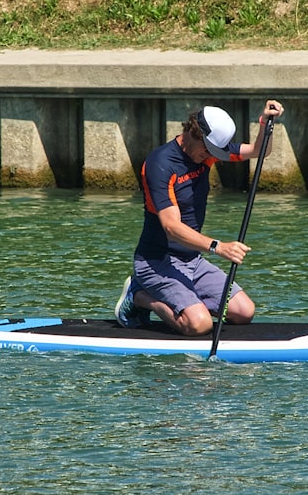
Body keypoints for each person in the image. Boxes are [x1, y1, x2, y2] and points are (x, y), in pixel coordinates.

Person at [115, 100, 285, 336]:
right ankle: (139, 295)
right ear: (193, 133)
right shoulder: (160, 164)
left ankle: (188, 300)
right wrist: (219, 247)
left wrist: (266, 123)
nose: (209, 157)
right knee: (199, 325)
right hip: (156, 262)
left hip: (192, 261)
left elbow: (259, 151)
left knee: (244, 312)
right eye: (207, 150)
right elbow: (171, 227)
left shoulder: (206, 154)